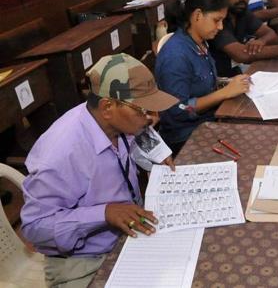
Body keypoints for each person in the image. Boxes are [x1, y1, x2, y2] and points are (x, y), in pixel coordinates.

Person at [20, 53, 179, 287]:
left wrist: (157, 152)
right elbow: (35, 228)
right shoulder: (60, 153)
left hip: (128, 235)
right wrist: (103, 214)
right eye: (144, 110)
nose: (152, 117)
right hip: (82, 261)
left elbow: (136, 137)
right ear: (107, 106)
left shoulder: (114, 121)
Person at [155, 0, 250, 155]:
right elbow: (180, 109)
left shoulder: (199, 42)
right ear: (197, 16)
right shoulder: (175, 56)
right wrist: (225, 92)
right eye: (216, 20)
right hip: (185, 137)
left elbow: (201, 81)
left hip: (207, 122)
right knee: (246, 144)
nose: (220, 27)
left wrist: (229, 83)